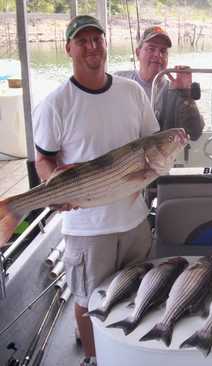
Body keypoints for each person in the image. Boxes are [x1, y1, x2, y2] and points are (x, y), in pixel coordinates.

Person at [33, 15, 160, 366]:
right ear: (68, 48)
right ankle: (92, 358)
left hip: (134, 222)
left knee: (136, 294)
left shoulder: (132, 91)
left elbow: (150, 141)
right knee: (88, 301)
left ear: (106, 44)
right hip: (87, 227)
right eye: (82, 40)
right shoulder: (56, 102)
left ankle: (131, 353)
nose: (92, 46)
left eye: (97, 39)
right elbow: (43, 160)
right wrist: (53, 189)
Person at [115, 26, 204, 141]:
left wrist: (185, 94)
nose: (158, 55)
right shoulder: (119, 79)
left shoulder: (175, 92)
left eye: (163, 51)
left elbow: (194, 133)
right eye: (151, 49)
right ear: (138, 53)